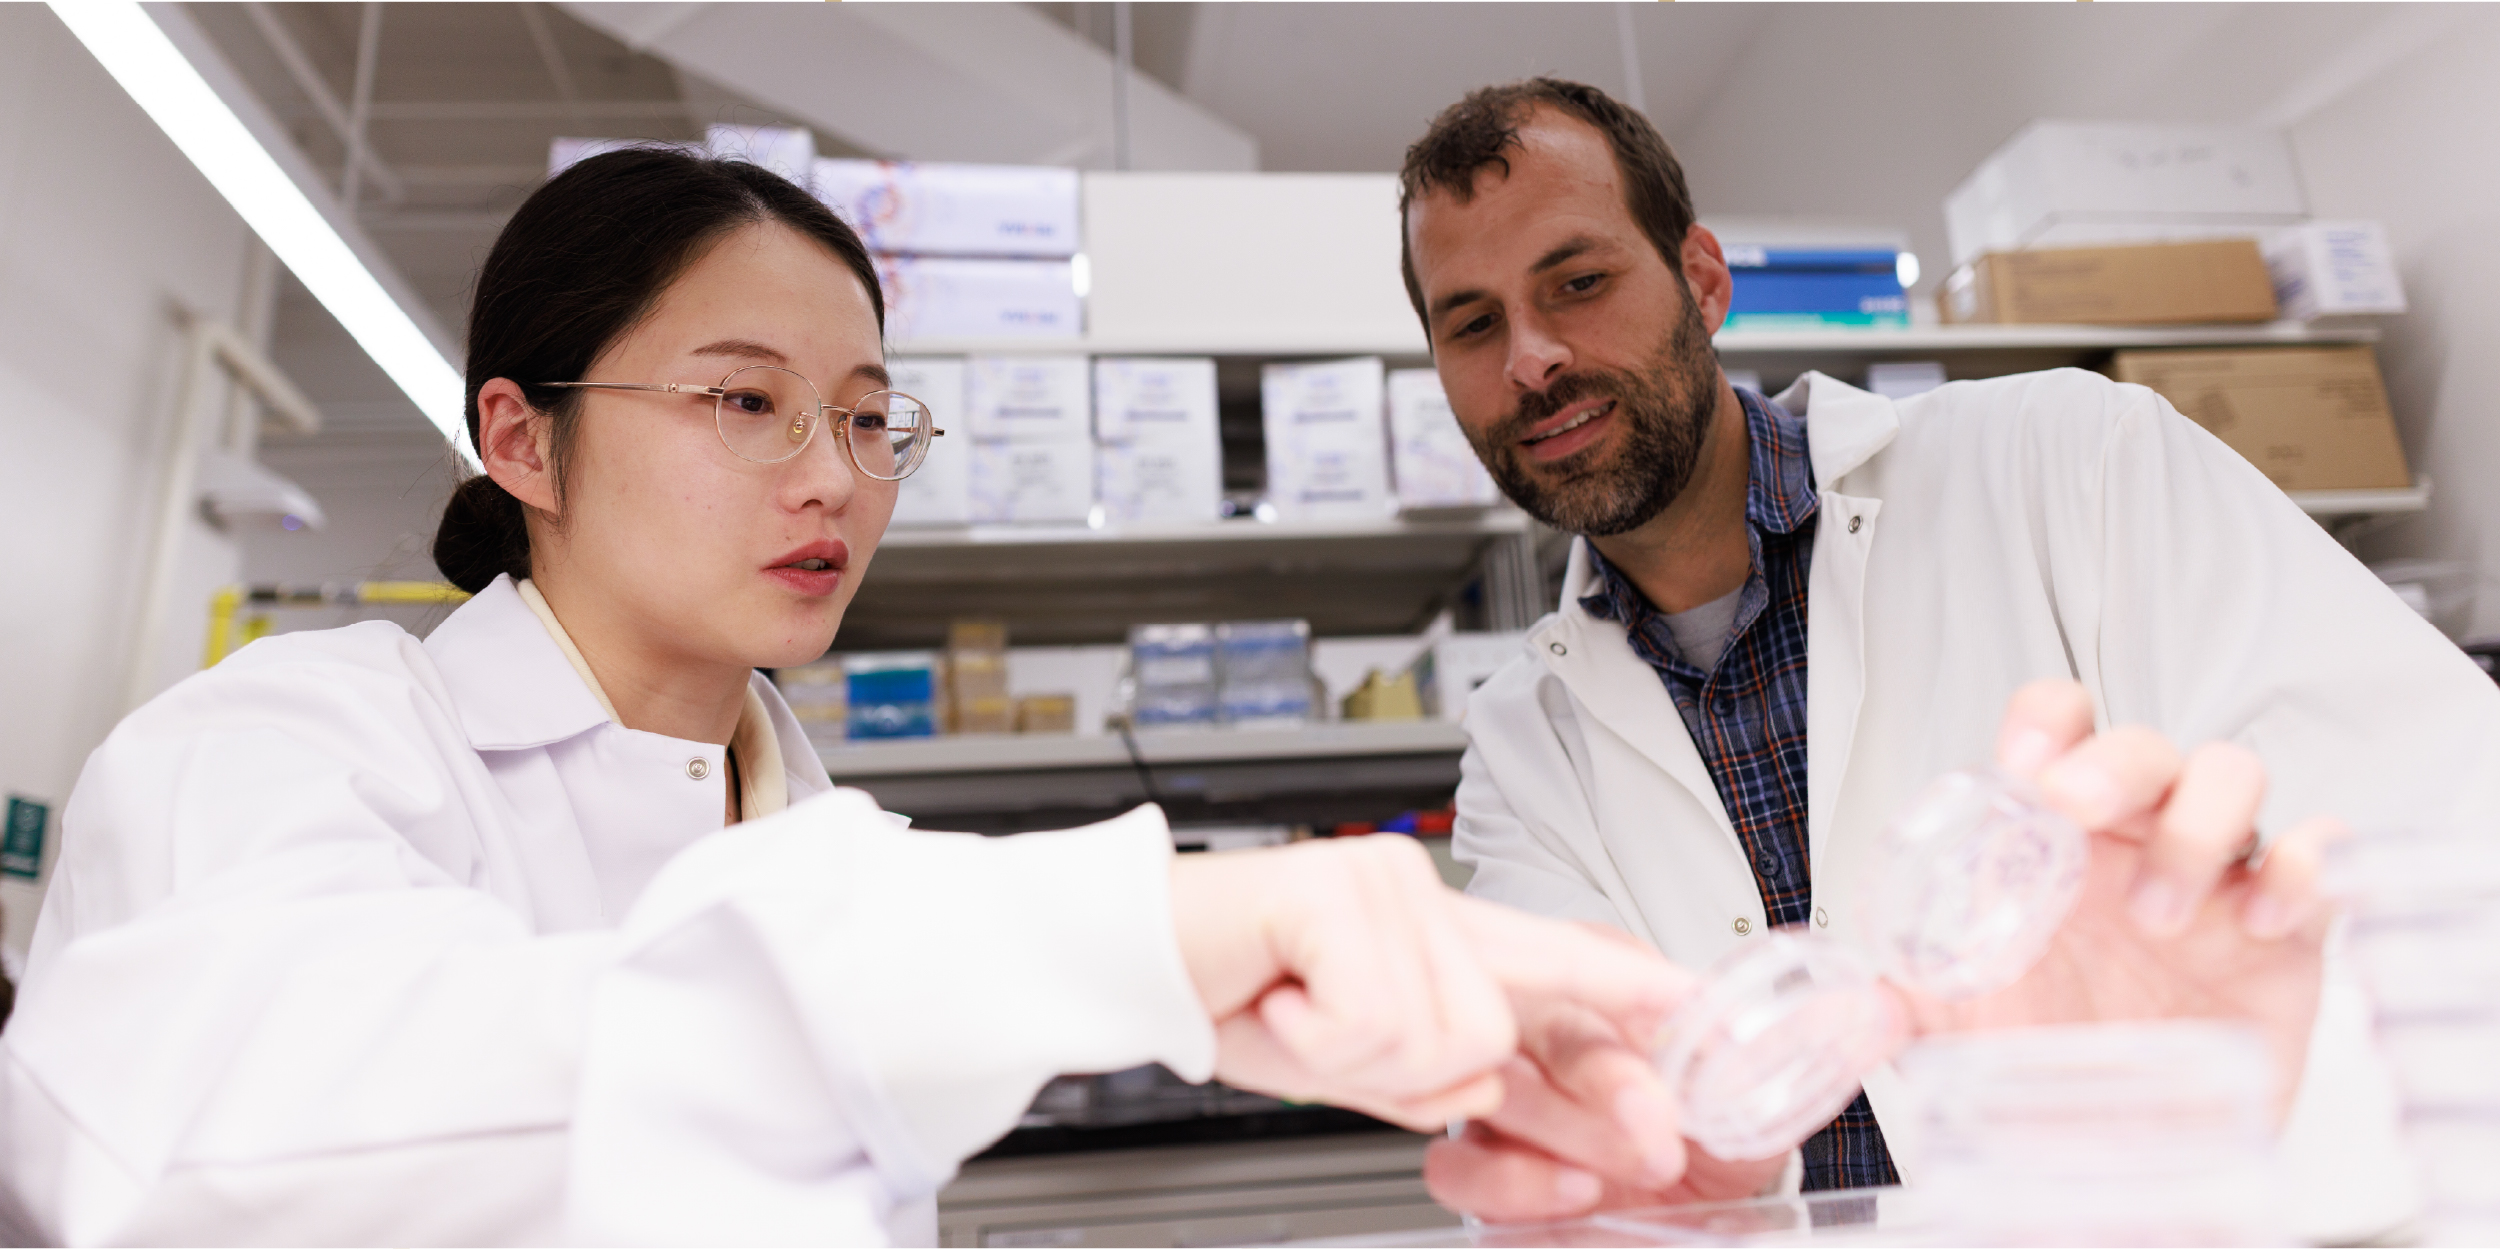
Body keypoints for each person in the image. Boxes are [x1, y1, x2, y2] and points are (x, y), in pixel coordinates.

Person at [0, 148, 1695, 1246]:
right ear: (523, 439)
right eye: (747, 404)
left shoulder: (835, 845)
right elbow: (219, 1142)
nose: (835, 479)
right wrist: (1129, 933)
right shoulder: (294, 739)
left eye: (870, 417)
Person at [1395, 78, 2500, 1237]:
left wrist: (2219, 1092)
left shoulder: (2075, 462)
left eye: (1579, 282)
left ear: (1702, 280)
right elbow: (1587, 1141)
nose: (1531, 357)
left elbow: (2447, 836)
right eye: (1472, 322)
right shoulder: (1522, 754)